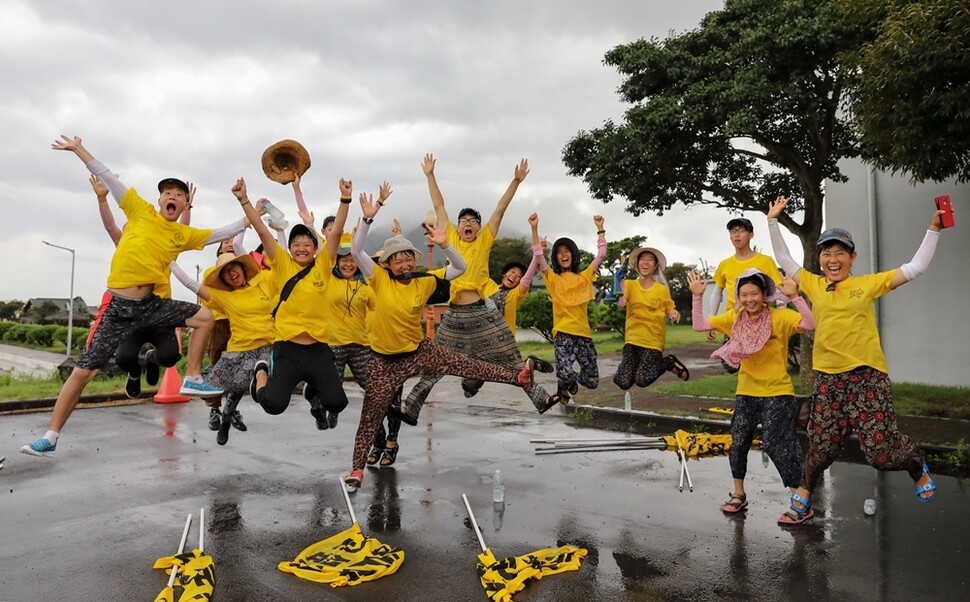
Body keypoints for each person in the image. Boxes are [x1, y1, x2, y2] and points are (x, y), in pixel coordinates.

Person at [21, 135, 246, 458]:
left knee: (205, 316)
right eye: (167, 192)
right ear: (159, 200)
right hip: (117, 306)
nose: (173, 196)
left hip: (151, 305)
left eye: (179, 194)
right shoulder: (139, 211)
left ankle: (193, 376)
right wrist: (79, 150)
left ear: (185, 205)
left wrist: (253, 208)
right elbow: (110, 176)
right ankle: (51, 435)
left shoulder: (182, 234)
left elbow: (224, 233)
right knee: (84, 371)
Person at [766, 196, 944, 525]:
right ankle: (803, 497)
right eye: (827, 252)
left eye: (840, 253)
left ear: (852, 257)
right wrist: (773, 221)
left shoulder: (867, 284)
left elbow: (915, 268)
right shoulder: (813, 284)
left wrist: (933, 228)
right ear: (820, 258)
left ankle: (915, 465)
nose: (833, 259)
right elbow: (783, 257)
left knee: (881, 454)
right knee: (821, 446)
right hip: (828, 379)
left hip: (867, 377)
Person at [345, 191, 535, 488]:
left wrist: (446, 244)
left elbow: (459, 269)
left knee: (465, 364)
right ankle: (356, 469)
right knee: (371, 414)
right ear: (389, 265)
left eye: (409, 259)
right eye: (398, 260)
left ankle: (517, 378)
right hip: (383, 361)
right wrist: (370, 217)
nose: (405, 265)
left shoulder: (425, 280)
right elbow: (357, 252)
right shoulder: (378, 279)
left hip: (417, 351)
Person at [396, 155, 556, 424]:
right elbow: (439, 204)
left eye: (473, 220)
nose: (468, 223)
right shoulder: (451, 240)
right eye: (463, 220)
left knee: (511, 357)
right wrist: (430, 176)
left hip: (483, 313)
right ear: (457, 226)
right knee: (436, 362)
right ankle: (411, 408)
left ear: (479, 227)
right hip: (455, 316)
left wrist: (515, 181)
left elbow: (500, 208)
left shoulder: (484, 240)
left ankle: (541, 398)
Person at [688, 268, 814, 514]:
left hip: (778, 391)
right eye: (743, 294)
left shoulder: (780, 317)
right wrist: (697, 297)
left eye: (754, 293)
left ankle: (800, 500)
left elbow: (810, 323)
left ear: (764, 293)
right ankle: (739, 493)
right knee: (738, 441)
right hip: (747, 391)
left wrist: (796, 297)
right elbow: (700, 325)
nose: (749, 299)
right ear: (738, 296)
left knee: (777, 443)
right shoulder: (734, 319)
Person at [233, 177, 350, 422]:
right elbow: (263, 231)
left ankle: (311, 388)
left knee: (337, 403)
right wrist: (244, 200)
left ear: (316, 248)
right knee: (274, 405)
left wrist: (345, 200)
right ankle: (262, 371)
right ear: (290, 247)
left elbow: (337, 232)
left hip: (318, 348)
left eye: (308, 243)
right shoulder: (282, 263)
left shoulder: (323, 265)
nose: (301, 247)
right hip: (288, 347)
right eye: (296, 243)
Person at [90, 174, 189, 399]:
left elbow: (182, 232)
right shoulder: (125, 245)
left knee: (170, 357)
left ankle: (153, 359)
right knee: (124, 359)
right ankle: (135, 374)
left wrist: (187, 208)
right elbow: (110, 227)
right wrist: (102, 199)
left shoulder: (163, 246)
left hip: (160, 310)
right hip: (132, 312)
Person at [171, 251, 277, 444]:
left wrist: (277, 230)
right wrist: (170, 262)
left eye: (234, 267)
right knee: (219, 387)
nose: (232, 272)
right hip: (240, 350)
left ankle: (228, 417)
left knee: (251, 382)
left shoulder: (263, 282)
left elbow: (280, 262)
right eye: (226, 272)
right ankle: (224, 417)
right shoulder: (223, 296)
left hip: (267, 346)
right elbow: (191, 284)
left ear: (243, 268)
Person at [530, 212, 607, 404]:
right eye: (559, 252)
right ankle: (565, 382)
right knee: (564, 371)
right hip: (563, 334)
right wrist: (534, 228)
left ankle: (565, 384)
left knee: (592, 381)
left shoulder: (585, 276)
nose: (564, 254)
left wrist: (600, 229)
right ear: (556, 257)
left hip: (584, 335)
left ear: (573, 254)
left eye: (567, 251)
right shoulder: (553, 279)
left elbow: (601, 255)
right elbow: (539, 256)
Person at [710, 217, 783, 373]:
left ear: (751, 235)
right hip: (734, 321)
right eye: (733, 231)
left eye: (742, 231)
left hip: (759, 321)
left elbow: (778, 291)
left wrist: (781, 319)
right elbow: (717, 292)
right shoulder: (725, 264)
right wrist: (712, 319)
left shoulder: (765, 261)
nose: (737, 235)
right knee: (730, 365)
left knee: (758, 364)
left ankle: (753, 394)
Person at [612, 246, 690, 392]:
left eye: (650, 260)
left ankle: (669, 362)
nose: (646, 263)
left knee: (642, 380)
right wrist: (619, 279)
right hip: (632, 339)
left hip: (652, 340)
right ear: (637, 264)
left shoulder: (660, 289)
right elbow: (621, 303)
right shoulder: (629, 285)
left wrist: (673, 313)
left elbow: (669, 308)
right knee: (622, 381)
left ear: (655, 266)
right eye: (642, 259)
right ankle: (629, 368)